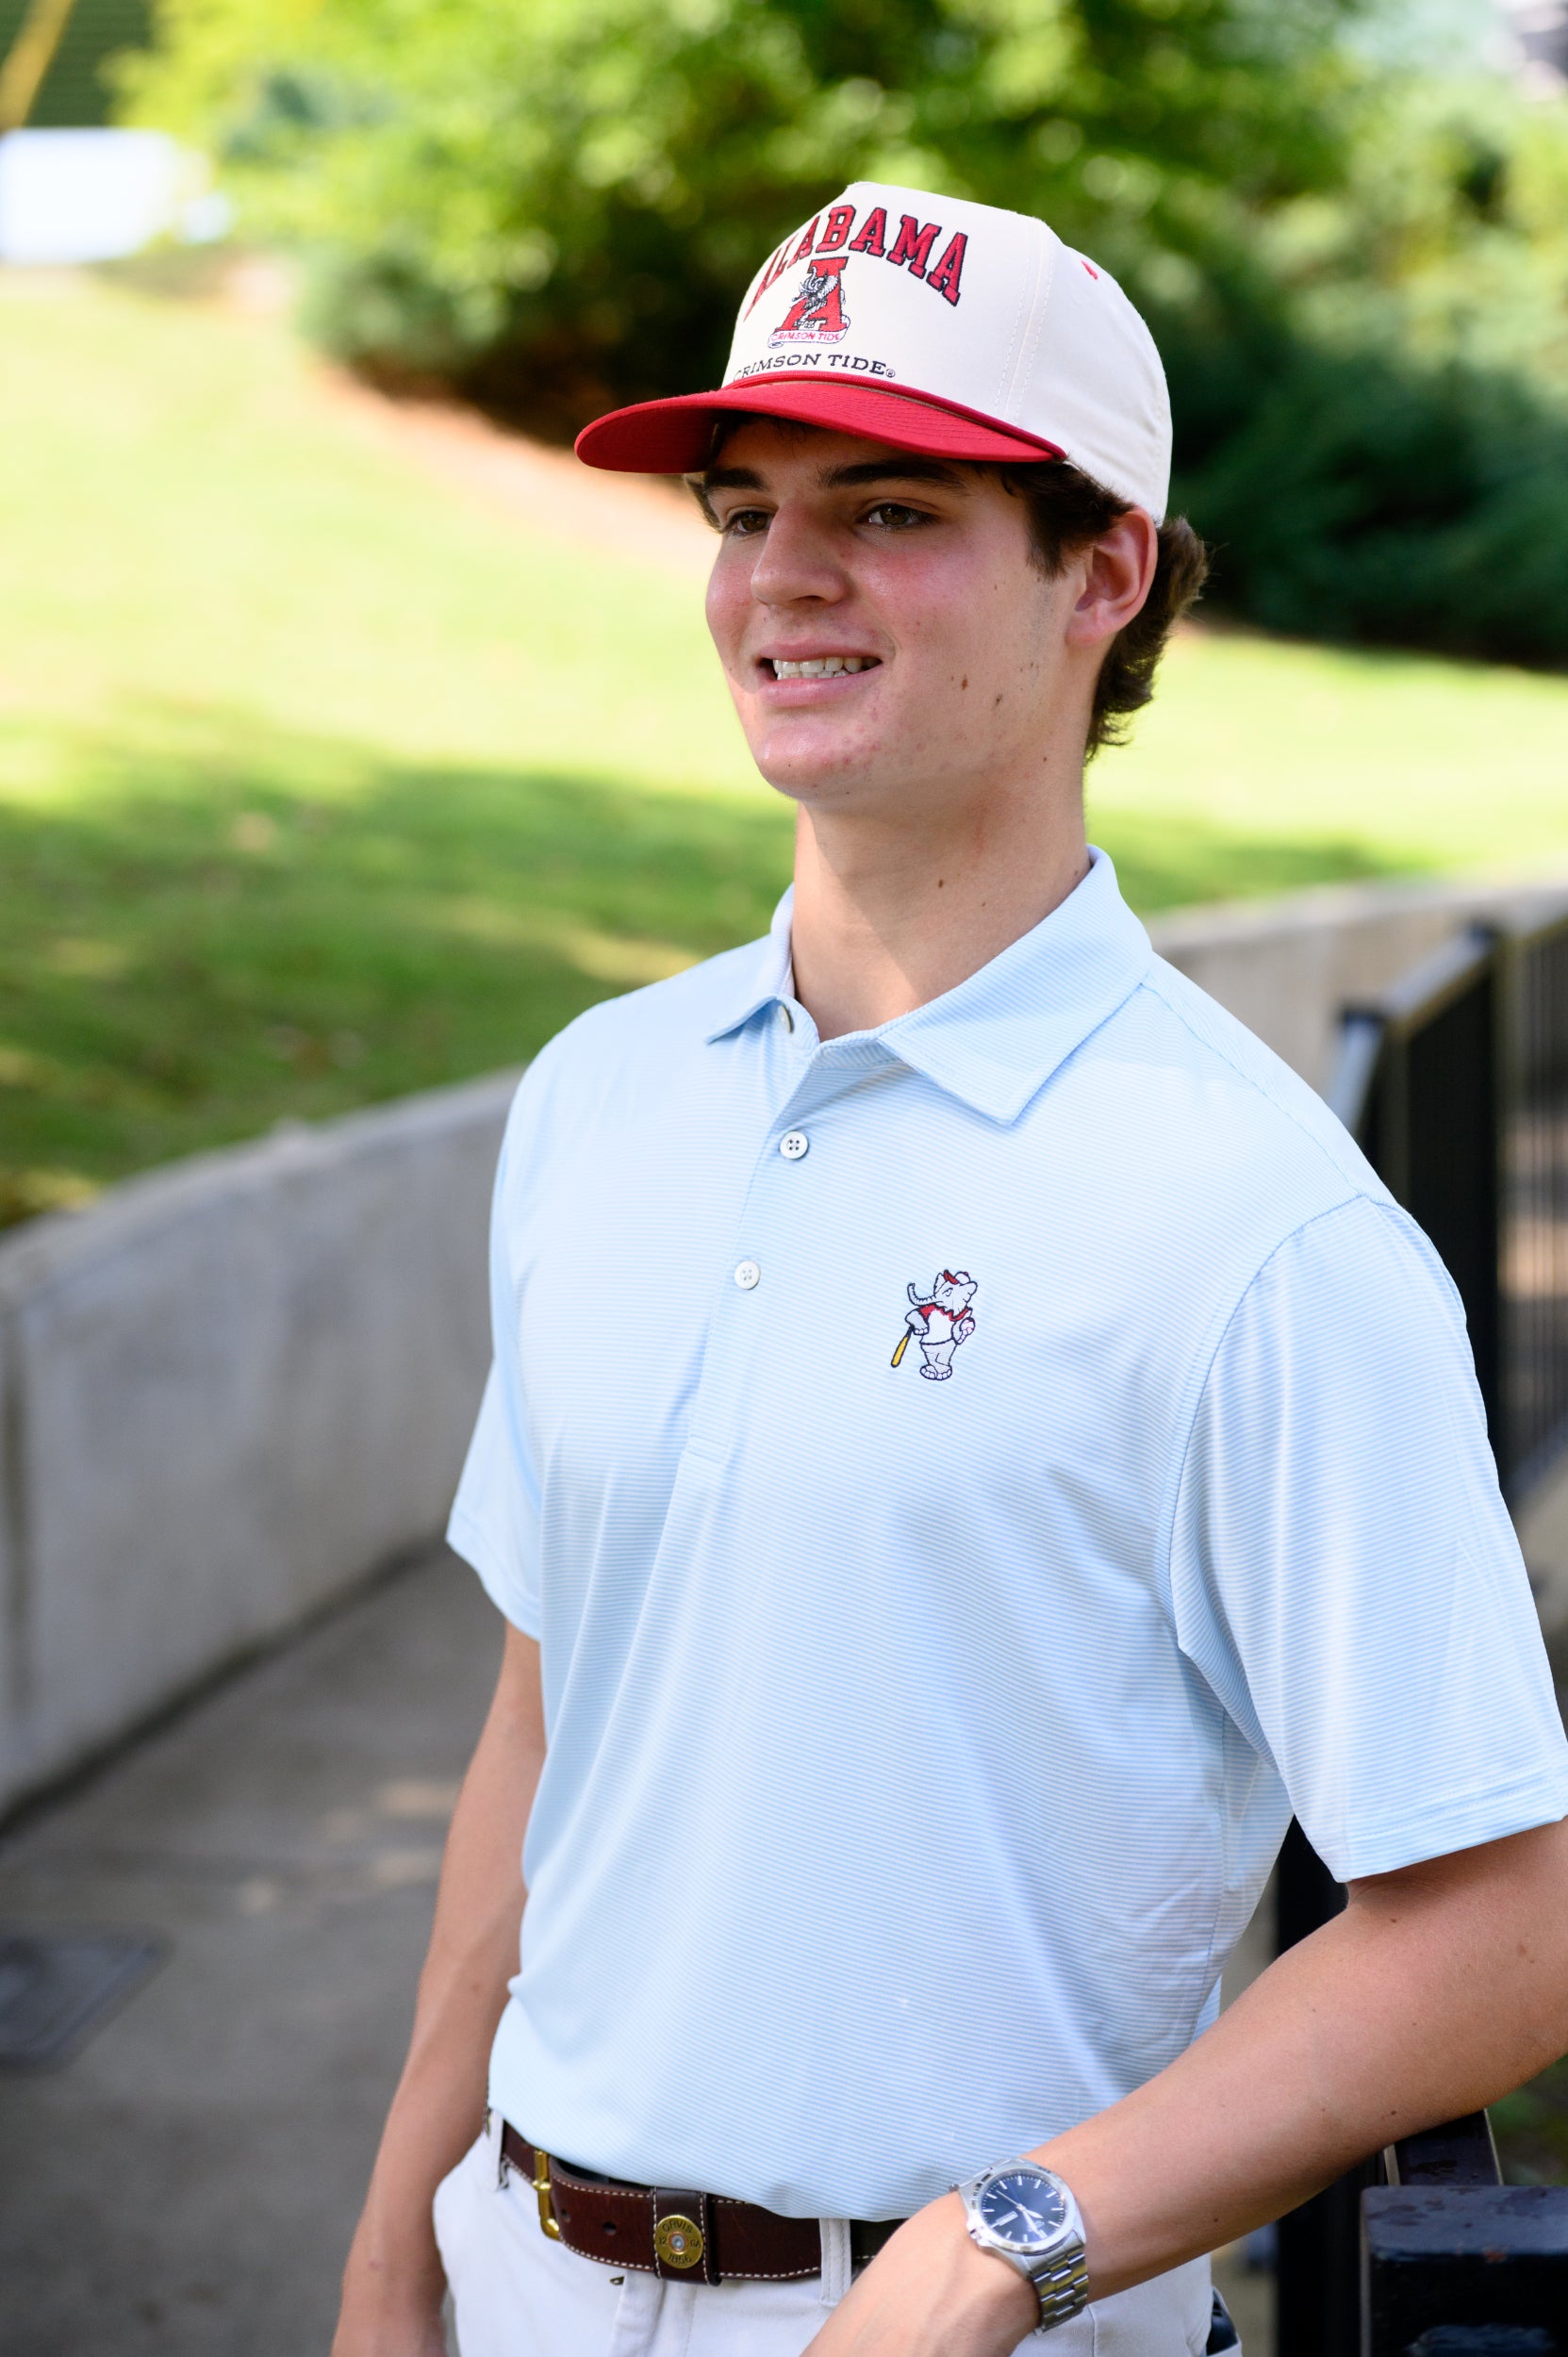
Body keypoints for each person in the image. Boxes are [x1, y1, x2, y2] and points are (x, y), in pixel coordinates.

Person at [331, 181, 1568, 2357]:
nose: (778, 578)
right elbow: (548, 1719)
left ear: (1103, 569)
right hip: (517, 2269)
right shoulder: (602, 1093)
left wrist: (995, 2243)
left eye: (887, 507)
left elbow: (1501, 1926)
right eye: (742, 505)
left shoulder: (1254, 1224)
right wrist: (393, 2237)